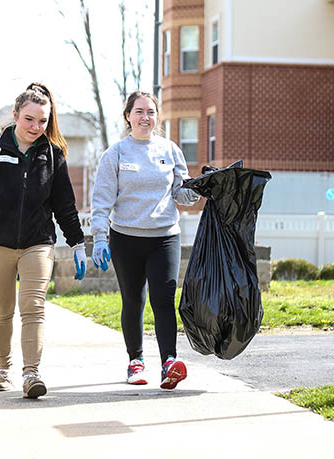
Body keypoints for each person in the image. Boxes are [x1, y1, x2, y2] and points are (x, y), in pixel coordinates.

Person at [0, 83, 86, 399]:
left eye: (43, 121)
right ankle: (3, 367)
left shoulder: (53, 156)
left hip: (38, 242)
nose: (36, 127)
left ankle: (31, 373)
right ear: (15, 115)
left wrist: (77, 243)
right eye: (29, 119)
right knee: (2, 309)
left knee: (33, 306)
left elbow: (65, 205)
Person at [90, 90, 200, 390]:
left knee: (163, 300)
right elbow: (101, 201)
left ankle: (169, 364)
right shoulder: (116, 154)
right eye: (139, 111)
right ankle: (135, 362)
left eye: (151, 112)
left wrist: (201, 187)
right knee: (133, 301)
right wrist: (100, 238)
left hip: (164, 237)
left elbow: (181, 193)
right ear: (128, 116)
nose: (145, 117)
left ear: (157, 117)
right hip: (125, 238)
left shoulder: (170, 150)